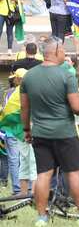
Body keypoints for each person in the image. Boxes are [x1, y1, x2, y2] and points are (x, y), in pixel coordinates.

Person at [18, 37, 79, 224]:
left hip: (40, 132)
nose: (65, 54)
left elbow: (24, 108)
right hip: (65, 132)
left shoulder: (29, 76)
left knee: (44, 174)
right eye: (64, 51)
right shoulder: (66, 75)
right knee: (73, 173)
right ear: (57, 51)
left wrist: (27, 129)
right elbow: (77, 108)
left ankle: (41, 218)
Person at [1, 67, 35, 195]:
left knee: (14, 160)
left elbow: (4, 110)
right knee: (28, 159)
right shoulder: (29, 92)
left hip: (10, 131)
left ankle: (17, 189)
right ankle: (30, 188)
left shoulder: (7, 93)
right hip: (24, 130)